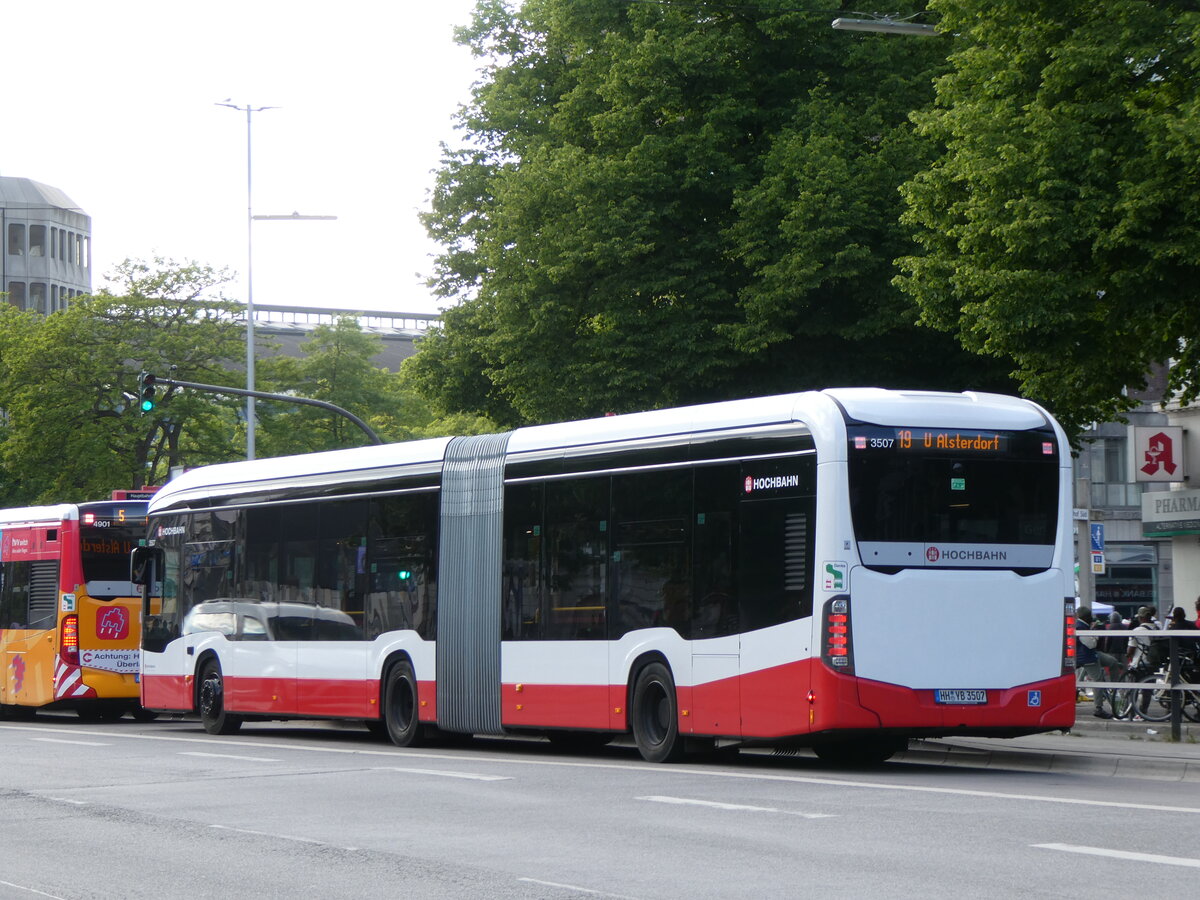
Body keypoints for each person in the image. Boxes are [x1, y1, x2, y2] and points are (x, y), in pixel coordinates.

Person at [1077, 606, 1124, 718]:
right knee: (1097, 680)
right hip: (1087, 658)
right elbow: (1091, 644)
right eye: (1090, 617)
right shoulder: (1081, 628)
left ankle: (1113, 688)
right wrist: (1095, 634)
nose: (1092, 619)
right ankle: (1098, 708)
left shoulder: (1084, 625)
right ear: (1087, 617)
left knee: (1113, 662)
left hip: (1091, 654)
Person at [1127, 606, 1163, 672]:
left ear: (1140, 618)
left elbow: (1130, 651)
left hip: (1140, 663)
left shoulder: (1136, 631)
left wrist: (1127, 656)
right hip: (1155, 662)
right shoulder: (1158, 629)